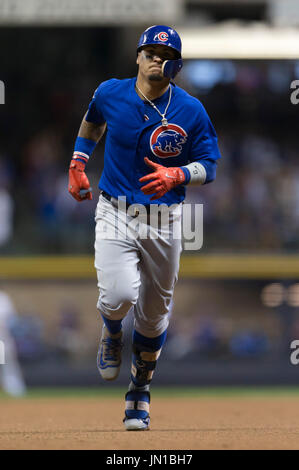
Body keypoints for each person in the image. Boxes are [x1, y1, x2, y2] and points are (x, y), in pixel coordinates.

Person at [68, 25, 221, 431]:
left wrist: (179, 174)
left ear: (178, 64)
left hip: (166, 219)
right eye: (150, 51)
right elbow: (92, 122)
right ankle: (112, 330)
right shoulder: (110, 92)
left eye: (166, 54)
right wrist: (78, 162)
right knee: (118, 296)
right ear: (137, 56)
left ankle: (139, 390)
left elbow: (210, 166)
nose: (157, 58)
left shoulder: (190, 109)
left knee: (154, 318)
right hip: (115, 210)